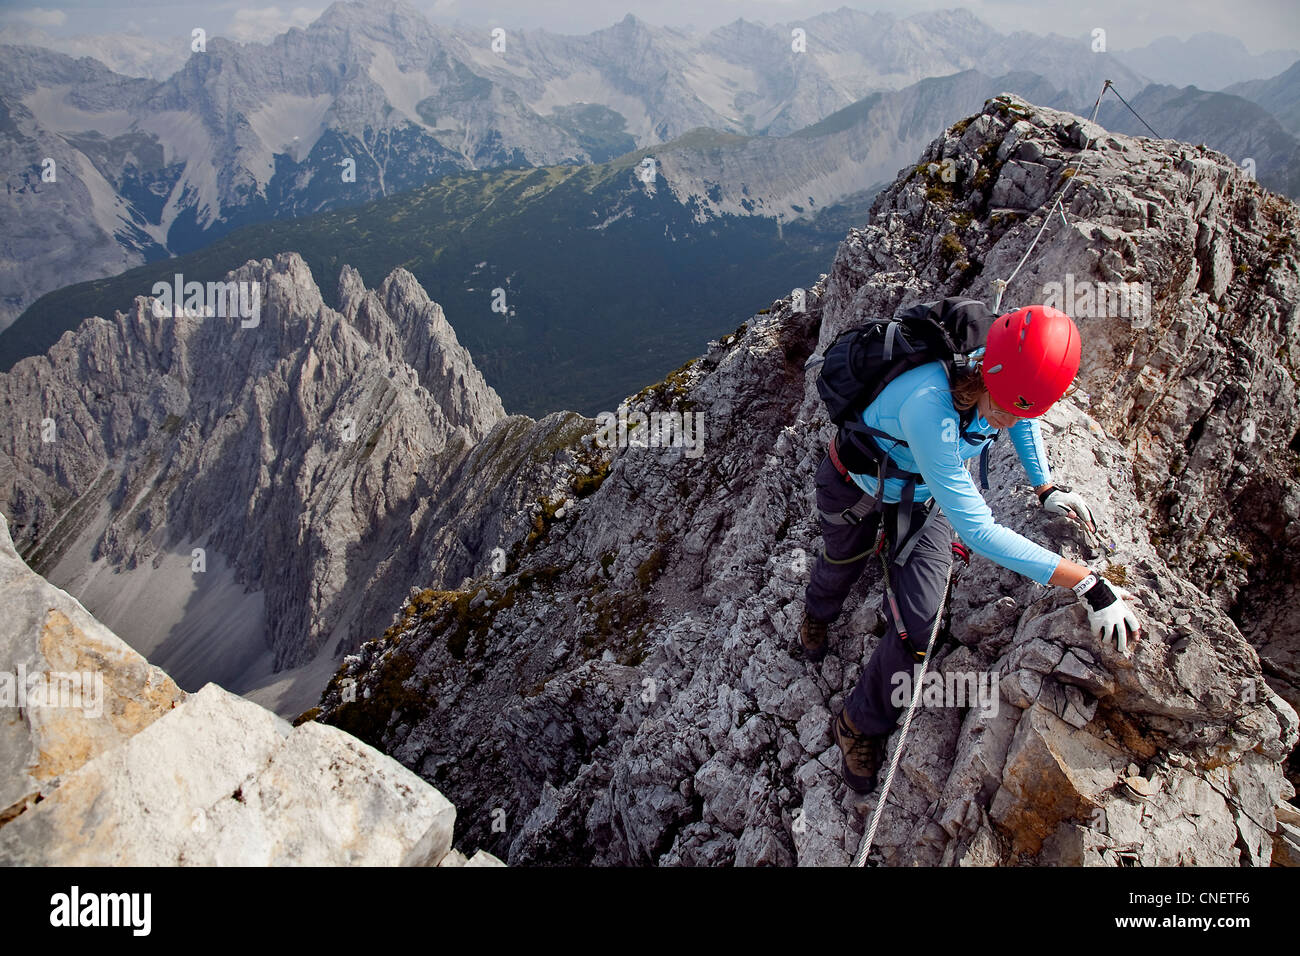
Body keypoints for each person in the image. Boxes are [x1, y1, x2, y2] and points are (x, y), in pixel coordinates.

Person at [801, 299, 1142, 793]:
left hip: (922, 497)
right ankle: (817, 614)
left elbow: (1022, 416)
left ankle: (858, 722)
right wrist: (1087, 583)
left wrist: (1044, 487)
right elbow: (980, 533)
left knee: (918, 630)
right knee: (841, 562)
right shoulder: (928, 402)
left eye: (1016, 409)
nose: (1006, 421)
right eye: (1001, 408)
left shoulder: (1001, 375)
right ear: (986, 378)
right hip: (856, 484)